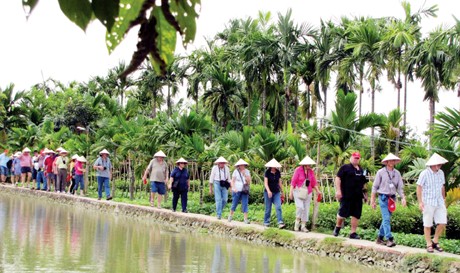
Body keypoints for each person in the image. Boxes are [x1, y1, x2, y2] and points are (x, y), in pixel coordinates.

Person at [371, 153, 407, 247]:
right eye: (390, 160)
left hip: (392, 198)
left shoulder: (397, 173)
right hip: (383, 197)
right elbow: (374, 187)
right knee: (386, 218)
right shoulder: (381, 172)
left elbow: (400, 188)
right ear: (386, 162)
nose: (391, 162)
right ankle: (389, 239)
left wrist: (403, 198)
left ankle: (379, 238)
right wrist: (373, 201)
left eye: (393, 160)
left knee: (386, 219)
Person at [416, 153, 448, 253]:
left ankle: (435, 240)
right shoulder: (424, 173)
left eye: (440, 164)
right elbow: (419, 187)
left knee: (442, 222)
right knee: (427, 223)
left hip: (439, 201)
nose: (440, 165)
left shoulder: (441, 173)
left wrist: (444, 198)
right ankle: (428, 243)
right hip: (428, 201)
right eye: (438, 164)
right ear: (433, 164)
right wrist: (420, 202)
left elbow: (442, 186)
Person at [333, 151, 368, 239]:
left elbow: (364, 183)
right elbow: (338, 178)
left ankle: (353, 233)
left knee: (356, 214)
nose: (356, 159)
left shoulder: (361, 170)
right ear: (351, 158)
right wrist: (338, 191)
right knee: (342, 212)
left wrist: (365, 194)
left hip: (357, 196)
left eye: (357, 158)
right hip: (346, 194)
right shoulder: (345, 167)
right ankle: (337, 227)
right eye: (354, 157)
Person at [289, 156, 322, 232]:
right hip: (298, 191)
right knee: (300, 207)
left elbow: (313, 182)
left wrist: (317, 190)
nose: (309, 166)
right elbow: (293, 182)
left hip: (308, 191)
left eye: (310, 165)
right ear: (304, 164)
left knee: (306, 208)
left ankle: (303, 226)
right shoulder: (298, 170)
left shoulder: (311, 171)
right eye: (308, 165)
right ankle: (296, 224)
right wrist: (290, 192)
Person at [263, 158, 285, 229]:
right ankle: (266, 222)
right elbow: (265, 183)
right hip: (268, 192)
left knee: (278, 207)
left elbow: (279, 182)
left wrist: (282, 191)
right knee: (268, 208)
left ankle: (280, 222)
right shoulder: (267, 172)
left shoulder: (278, 172)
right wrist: (269, 191)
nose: (274, 167)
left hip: (276, 192)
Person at [228, 159, 251, 224]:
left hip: (244, 189)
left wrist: (245, 175)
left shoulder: (247, 171)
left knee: (245, 203)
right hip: (237, 189)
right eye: (241, 165)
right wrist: (233, 188)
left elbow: (249, 181)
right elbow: (232, 181)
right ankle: (230, 215)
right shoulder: (235, 171)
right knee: (234, 202)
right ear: (238, 165)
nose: (242, 166)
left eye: (243, 165)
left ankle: (245, 219)